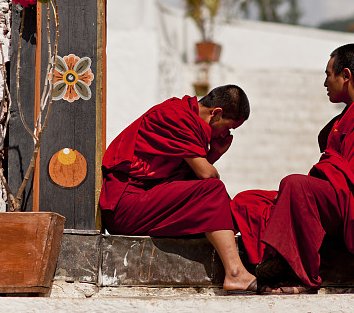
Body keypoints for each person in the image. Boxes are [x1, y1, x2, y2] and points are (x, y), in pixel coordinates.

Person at [231, 44, 354, 293]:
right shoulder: (349, 117)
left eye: (327, 75)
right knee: (250, 201)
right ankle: (271, 260)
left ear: (345, 76)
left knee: (295, 185)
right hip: (340, 198)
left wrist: (323, 176)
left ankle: (299, 275)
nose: (325, 83)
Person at [100, 84, 258, 293]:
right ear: (216, 114)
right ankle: (236, 272)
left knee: (231, 206)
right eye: (228, 128)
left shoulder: (189, 120)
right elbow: (206, 176)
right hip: (125, 206)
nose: (226, 135)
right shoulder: (177, 116)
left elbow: (187, 182)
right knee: (213, 190)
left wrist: (212, 155)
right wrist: (216, 156)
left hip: (146, 201)